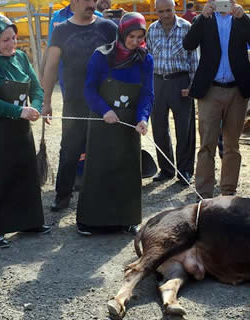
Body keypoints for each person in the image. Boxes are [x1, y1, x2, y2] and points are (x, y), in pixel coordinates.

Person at [0, 14, 52, 248]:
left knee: (24, 174)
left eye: (13, 38)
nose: (11, 44)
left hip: (19, 129)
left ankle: (29, 221)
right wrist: (18, 112)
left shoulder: (22, 57)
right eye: (5, 39)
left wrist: (34, 108)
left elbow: (36, 88)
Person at [79, 12, 153, 236]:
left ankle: (127, 218)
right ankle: (90, 221)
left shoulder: (145, 59)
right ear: (122, 33)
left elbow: (147, 94)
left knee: (128, 170)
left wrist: (142, 118)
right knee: (98, 170)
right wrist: (105, 110)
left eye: (139, 37)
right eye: (131, 36)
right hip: (103, 121)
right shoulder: (102, 56)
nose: (134, 42)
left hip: (129, 122)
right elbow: (89, 89)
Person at [41, 0, 117, 214]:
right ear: (73, 3)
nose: (91, 3)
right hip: (74, 101)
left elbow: (120, 61)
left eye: (93, 0)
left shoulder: (108, 28)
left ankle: (106, 193)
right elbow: (51, 66)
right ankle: (63, 196)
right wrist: (46, 102)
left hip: (104, 102)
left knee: (104, 149)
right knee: (70, 150)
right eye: (86, 0)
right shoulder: (61, 30)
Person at [183, 0, 250, 199]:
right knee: (207, 144)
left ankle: (228, 192)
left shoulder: (242, 18)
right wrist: (202, 18)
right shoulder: (204, 19)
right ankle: (204, 194)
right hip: (210, 90)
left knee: (232, 144)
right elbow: (188, 44)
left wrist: (244, 18)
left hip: (237, 90)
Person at [147, 0, 197, 186]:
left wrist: (193, 86)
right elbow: (149, 57)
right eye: (161, 11)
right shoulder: (152, 29)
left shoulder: (187, 28)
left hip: (181, 81)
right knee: (159, 128)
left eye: (168, 10)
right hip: (157, 82)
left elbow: (194, 58)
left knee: (184, 129)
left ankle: (184, 170)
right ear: (156, 11)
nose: (165, 14)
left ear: (175, 8)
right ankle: (166, 169)